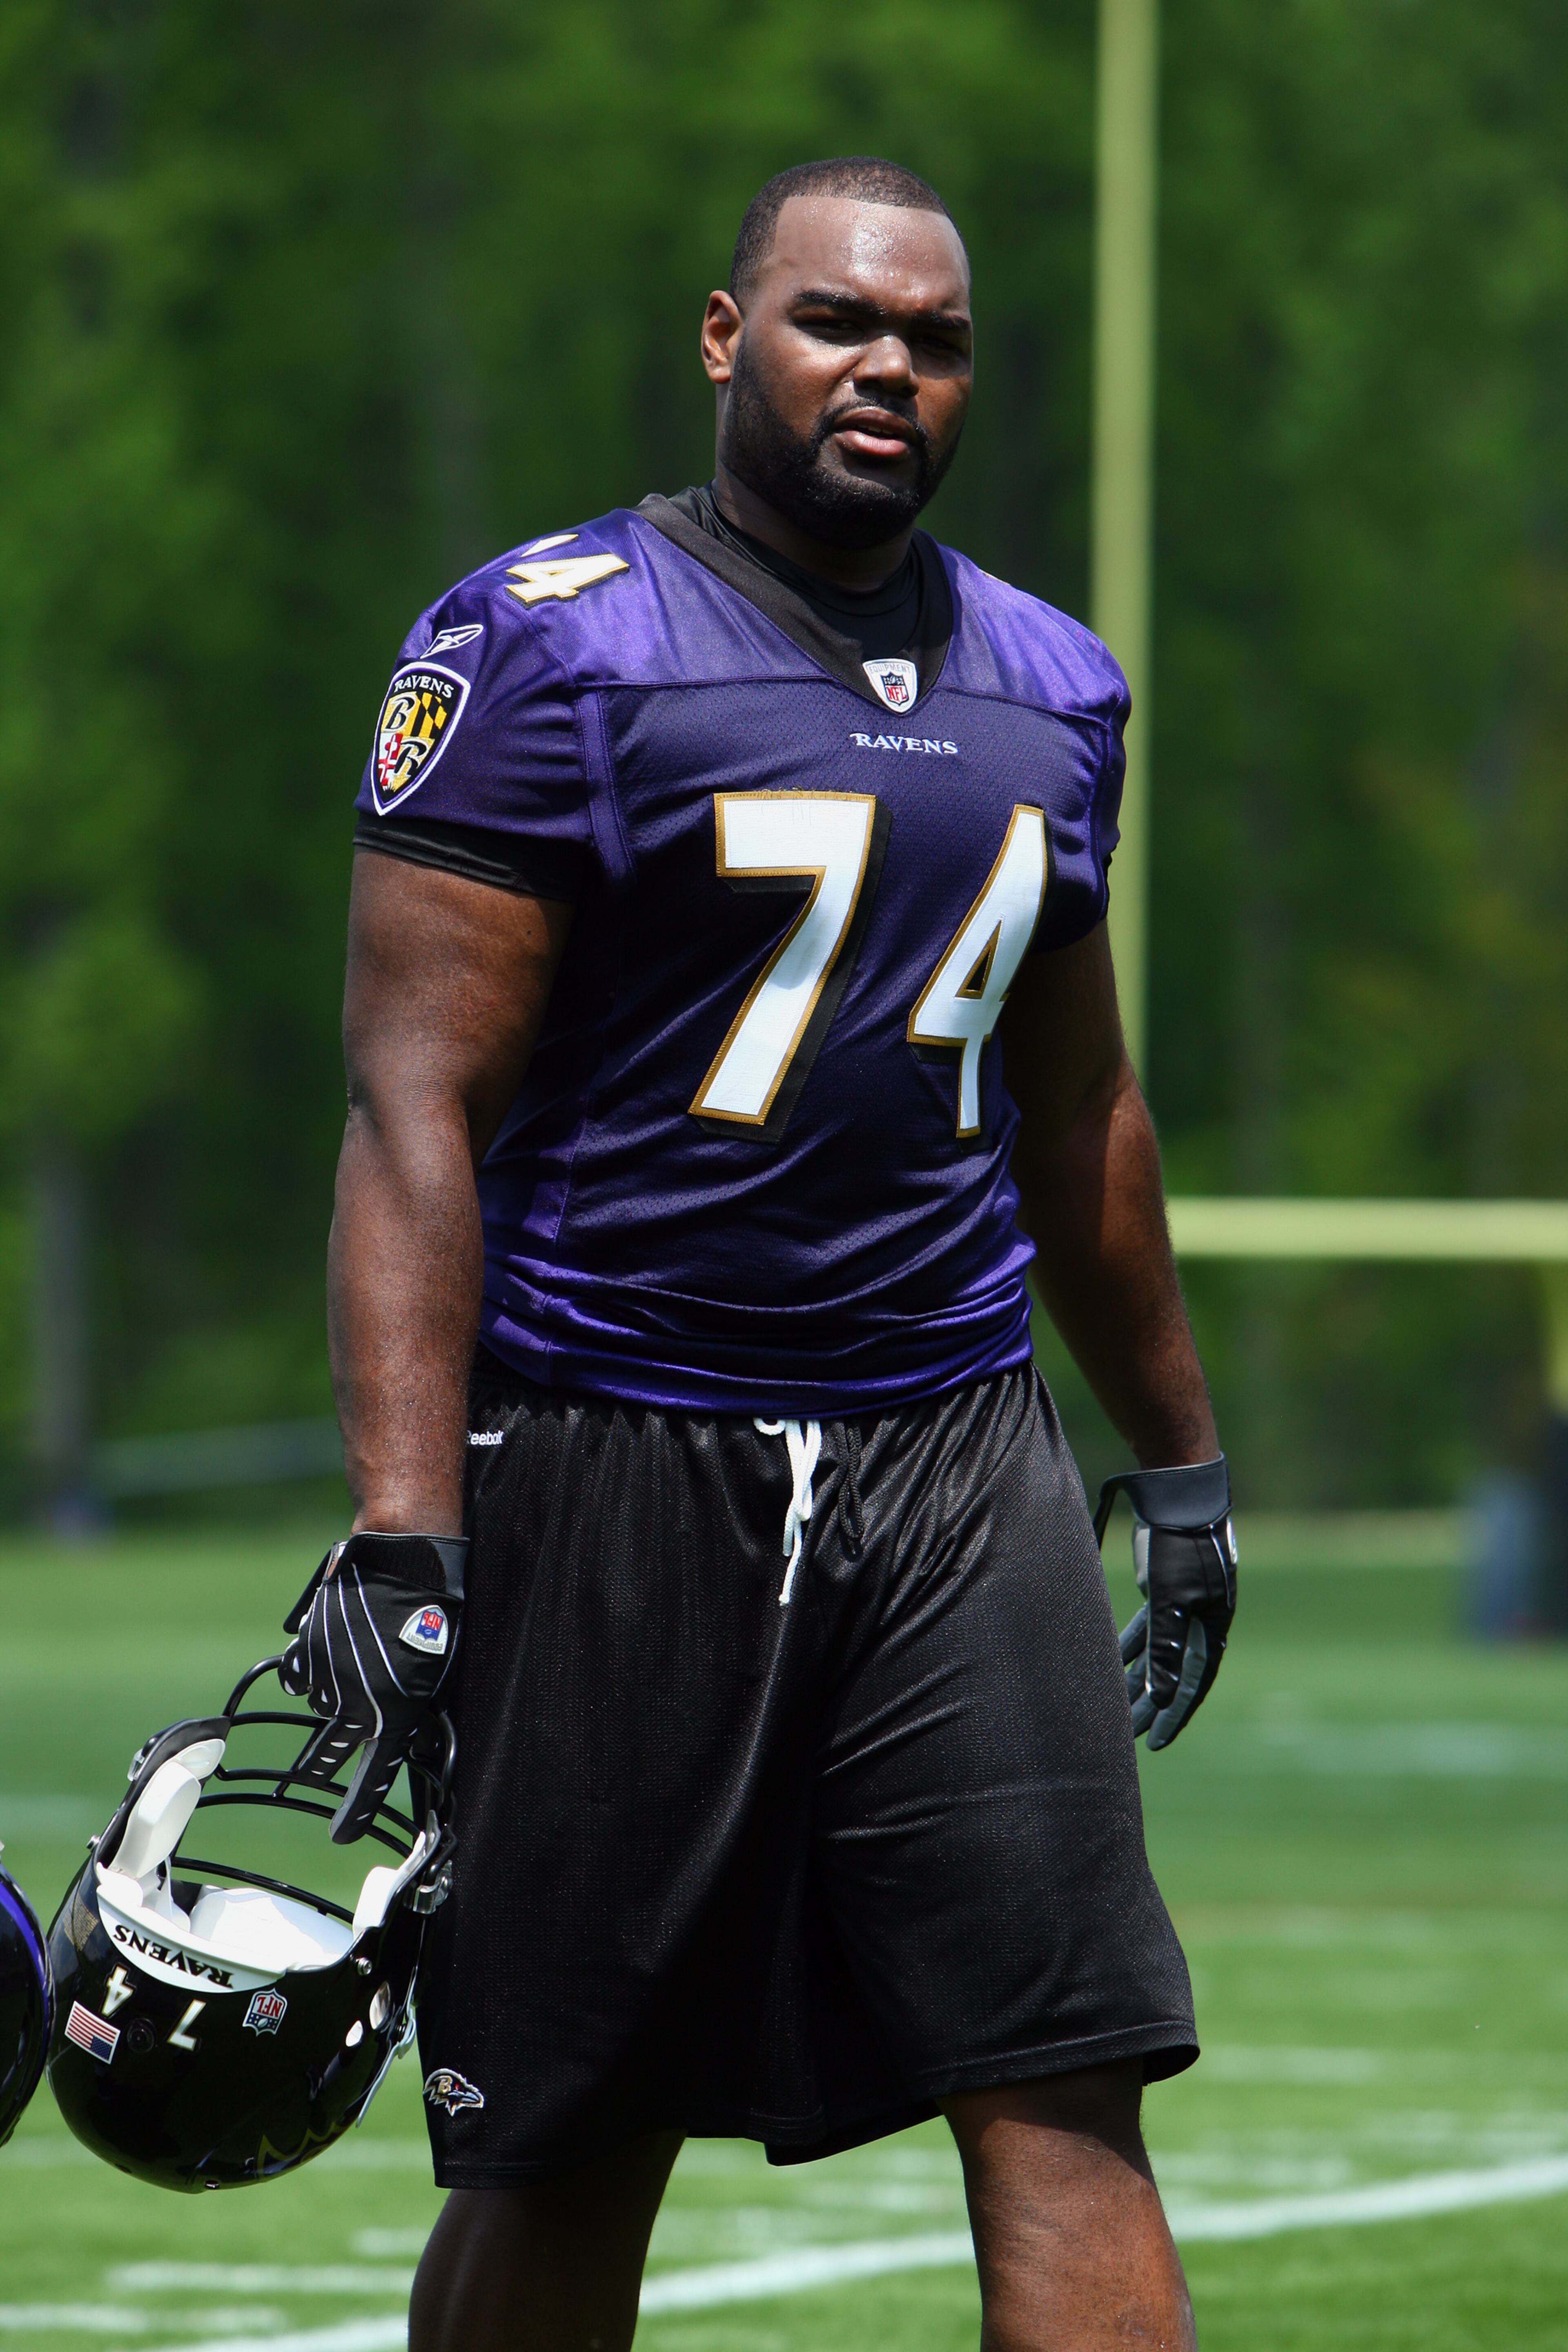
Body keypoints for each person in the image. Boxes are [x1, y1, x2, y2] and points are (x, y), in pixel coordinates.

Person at [287, 155, 1237, 2352]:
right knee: (575, 2124)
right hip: (624, 1449)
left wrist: (1175, 1462)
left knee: (1067, 2082)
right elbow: (416, 1109)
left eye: (937, 339)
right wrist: (406, 1532)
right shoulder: (549, 643)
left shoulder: (1053, 683)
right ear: (730, 339)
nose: (890, 371)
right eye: (837, 322)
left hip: (951, 1456)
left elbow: (1080, 1111)